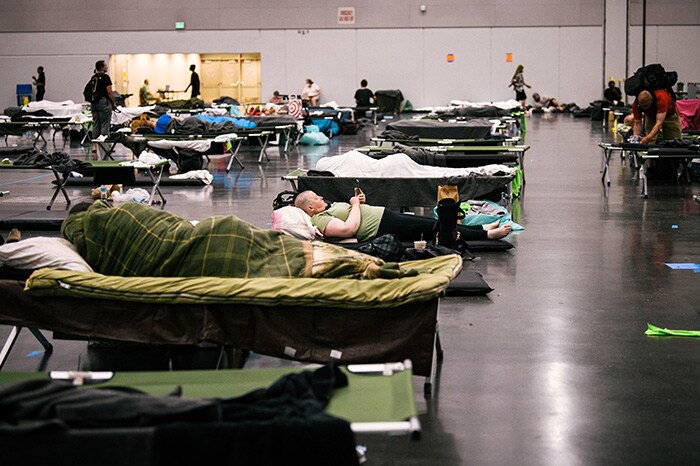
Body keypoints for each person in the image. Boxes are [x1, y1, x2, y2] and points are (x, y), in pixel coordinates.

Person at [294, 190, 512, 243]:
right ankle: (487, 237)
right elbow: (348, 230)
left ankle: (481, 230)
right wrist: (354, 205)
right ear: (310, 208)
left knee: (434, 223)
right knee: (435, 229)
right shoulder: (319, 220)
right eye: (316, 198)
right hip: (382, 227)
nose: (321, 197)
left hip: (385, 217)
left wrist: (358, 202)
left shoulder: (327, 210)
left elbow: (353, 214)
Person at [89, 60, 117, 139]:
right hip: (103, 102)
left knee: (96, 124)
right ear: (102, 67)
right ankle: (104, 146)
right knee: (105, 124)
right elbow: (109, 91)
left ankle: (95, 146)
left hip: (94, 103)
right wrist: (113, 103)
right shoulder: (105, 77)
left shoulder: (94, 77)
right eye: (105, 66)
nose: (107, 67)